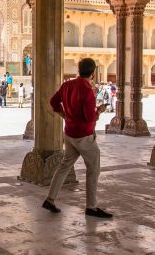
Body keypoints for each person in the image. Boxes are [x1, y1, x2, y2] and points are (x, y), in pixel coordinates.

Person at [43, 58, 112, 218]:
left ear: (79, 70)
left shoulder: (67, 85)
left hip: (70, 133)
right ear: (93, 73)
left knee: (64, 166)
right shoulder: (87, 89)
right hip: (84, 136)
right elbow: (89, 118)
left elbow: (53, 102)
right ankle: (91, 207)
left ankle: (50, 199)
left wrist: (64, 115)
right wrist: (100, 110)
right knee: (93, 170)